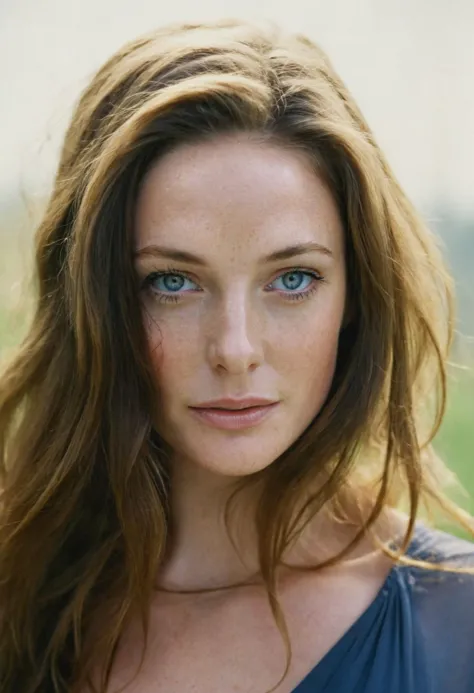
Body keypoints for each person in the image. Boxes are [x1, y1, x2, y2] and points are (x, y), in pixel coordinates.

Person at [0, 17, 473, 693]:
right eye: (173, 282)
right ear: (96, 302)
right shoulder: (21, 594)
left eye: (291, 279)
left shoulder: (458, 624)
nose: (235, 349)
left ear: (358, 295)